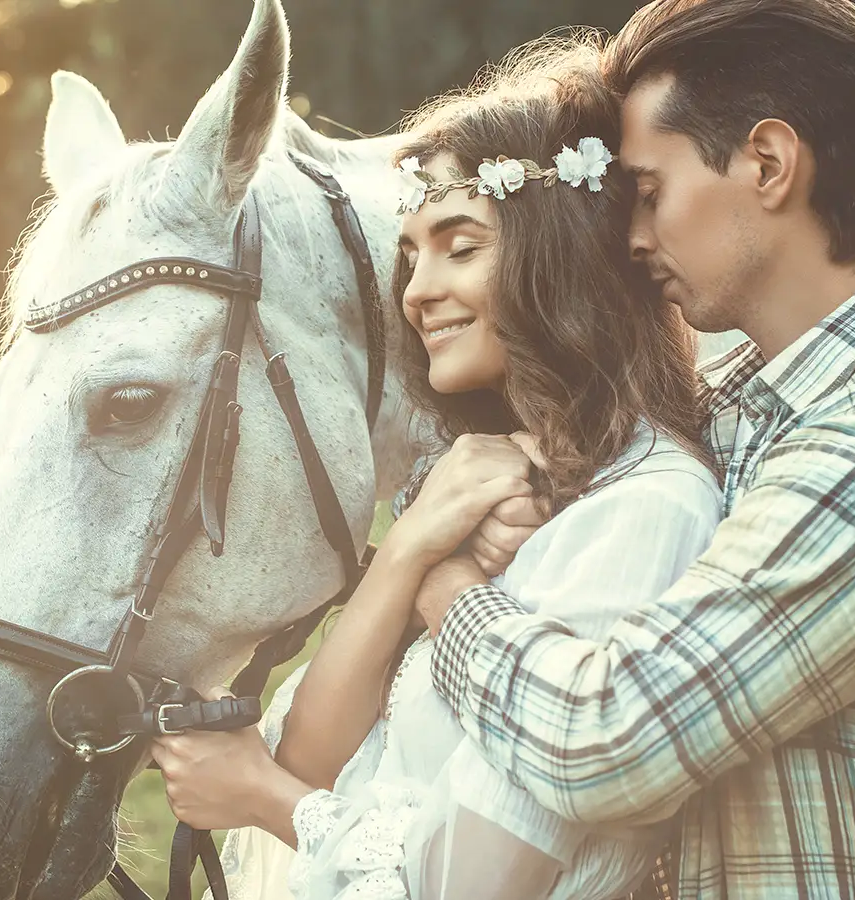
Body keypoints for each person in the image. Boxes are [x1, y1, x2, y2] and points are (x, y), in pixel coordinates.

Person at [411, 1, 855, 897]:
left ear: (769, 165)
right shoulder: (736, 395)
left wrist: (446, 584)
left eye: (651, 193)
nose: (631, 236)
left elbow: (612, 741)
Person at [150, 36, 724, 900]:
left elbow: (472, 885)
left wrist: (269, 800)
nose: (416, 289)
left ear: (560, 257)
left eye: (460, 246)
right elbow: (318, 752)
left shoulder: (645, 511)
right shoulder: (474, 485)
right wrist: (417, 546)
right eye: (412, 253)